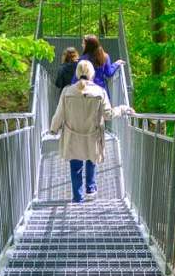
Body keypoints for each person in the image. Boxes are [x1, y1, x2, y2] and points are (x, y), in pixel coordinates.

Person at [49, 59, 133, 202]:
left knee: (75, 167)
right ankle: (91, 187)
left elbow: (59, 114)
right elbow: (108, 115)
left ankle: (77, 197)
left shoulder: (67, 91)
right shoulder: (100, 92)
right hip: (92, 136)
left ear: (77, 73)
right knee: (91, 159)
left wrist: (53, 129)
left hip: (72, 137)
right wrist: (123, 109)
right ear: (92, 74)